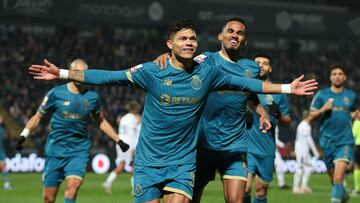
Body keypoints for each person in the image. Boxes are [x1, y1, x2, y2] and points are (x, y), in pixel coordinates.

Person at [28, 19, 317, 203]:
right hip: (148, 162)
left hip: (183, 163)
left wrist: (288, 89)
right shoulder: (153, 71)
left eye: (193, 38)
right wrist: (63, 73)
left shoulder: (209, 73)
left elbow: (246, 83)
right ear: (170, 45)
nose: (190, 42)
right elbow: (109, 76)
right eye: (183, 39)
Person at [16, 59, 129, 203]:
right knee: (48, 198)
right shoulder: (56, 93)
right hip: (55, 149)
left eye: (83, 72)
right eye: (77, 72)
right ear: (70, 71)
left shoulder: (92, 98)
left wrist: (118, 140)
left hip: (79, 150)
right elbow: (38, 116)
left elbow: (100, 121)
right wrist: (23, 135)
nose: (80, 75)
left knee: (73, 187)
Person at [245, 53, 292, 203]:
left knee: (260, 191)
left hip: (266, 147)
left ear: (270, 68)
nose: (261, 65)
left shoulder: (278, 93)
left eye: (265, 63)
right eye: (257, 62)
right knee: (244, 188)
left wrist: (277, 113)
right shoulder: (243, 86)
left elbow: (287, 121)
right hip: (244, 145)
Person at [309, 64, 356, 203]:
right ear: (330, 77)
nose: (337, 76)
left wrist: (355, 114)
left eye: (340, 73)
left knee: (338, 178)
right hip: (327, 141)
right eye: (334, 74)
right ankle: (343, 195)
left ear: (345, 77)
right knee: (333, 179)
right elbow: (311, 115)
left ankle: (337, 197)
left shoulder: (351, 95)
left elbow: (352, 111)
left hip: (345, 141)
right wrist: (323, 108)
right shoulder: (322, 95)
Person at [102, 100, 142, 194]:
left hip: (120, 143)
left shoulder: (124, 118)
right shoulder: (135, 119)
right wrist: (134, 148)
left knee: (121, 165)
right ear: (136, 109)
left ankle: (108, 182)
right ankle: (134, 189)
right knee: (134, 166)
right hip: (128, 145)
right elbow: (132, 134)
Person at [292, 110, 320, 194]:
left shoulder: (304, 125)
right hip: (301, 150)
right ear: (308, 116)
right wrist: (315, 151)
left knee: (308, 167)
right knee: (300, 168)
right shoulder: (304, 126)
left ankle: (303, 186)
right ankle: (295, 188)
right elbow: (308, 139)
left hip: (305, 150)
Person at [0, 116, 12, 190]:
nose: (1, 119)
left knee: (3, 166)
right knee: (3, 166)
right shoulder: (2, 130)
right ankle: (6, 184)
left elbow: (7, 138)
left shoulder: (2, 130)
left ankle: (6, 184)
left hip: (1, 150)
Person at [352, 110, 360, 196]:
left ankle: (357, 188)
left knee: (357, 167)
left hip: (358, 146)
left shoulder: (357, 122)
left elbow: (353, 135)